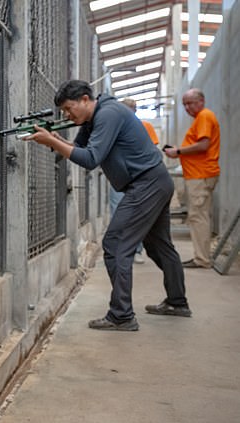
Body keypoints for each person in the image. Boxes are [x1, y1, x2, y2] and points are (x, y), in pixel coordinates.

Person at [26, 80, 190, 331]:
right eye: (64, 112)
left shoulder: (108, 114)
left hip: (146, 184)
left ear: (84, 99)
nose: (68, 115)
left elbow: (91, 159)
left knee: (115, 243)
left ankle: (122, 315)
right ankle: (177, 303)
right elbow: (80, 150)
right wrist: (55, 139)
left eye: (70, 109)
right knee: (159, 246)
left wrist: (53, 142)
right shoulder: (92, 119)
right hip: (154, 182)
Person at [164, 88, 220, 269]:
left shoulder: (204, 116)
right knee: (198, 216)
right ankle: (201, 256)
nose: (187, 108)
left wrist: (178, 151)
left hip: (201, 174)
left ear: (201, 101)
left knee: (198, 217)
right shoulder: (201, 118)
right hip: (199, 173)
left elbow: (203, 145)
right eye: (184, 104)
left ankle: (202, 259)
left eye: (190, 103)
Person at [109, 98, 161, 264]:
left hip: (139, 178)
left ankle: (135, 249)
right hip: (120, 177)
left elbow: (152, 151)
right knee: (118, 212)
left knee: (136, 215)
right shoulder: (113, 126)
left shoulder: (144, 126)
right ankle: (121, 249)